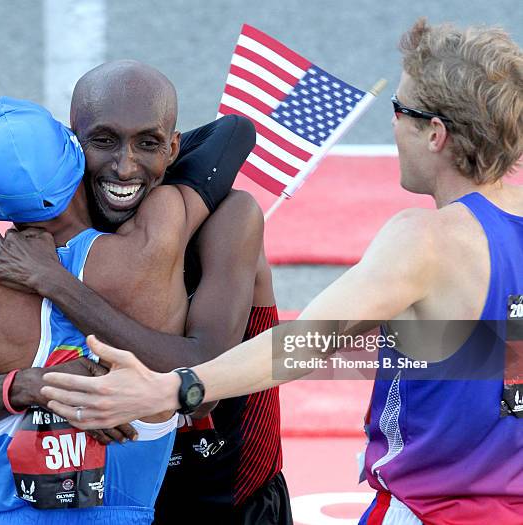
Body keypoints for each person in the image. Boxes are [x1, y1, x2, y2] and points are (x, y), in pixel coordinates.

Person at [38, 19, 523, 525]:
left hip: (432, 510)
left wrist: (174, 388)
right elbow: (476, 349)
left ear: (436, 134)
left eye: (399, 110)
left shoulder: (425, 239)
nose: (393, 125)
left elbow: (300, 345)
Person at [0, 61, 293, 524]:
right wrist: (41, 385)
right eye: (104, 141)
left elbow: (205, 382)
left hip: (224, 489)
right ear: (75, 146)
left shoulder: (228, 217)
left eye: (148, 143)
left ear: (174, 147)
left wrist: (55, 283)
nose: (125, 165)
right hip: (134, 497)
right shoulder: (39, 249)